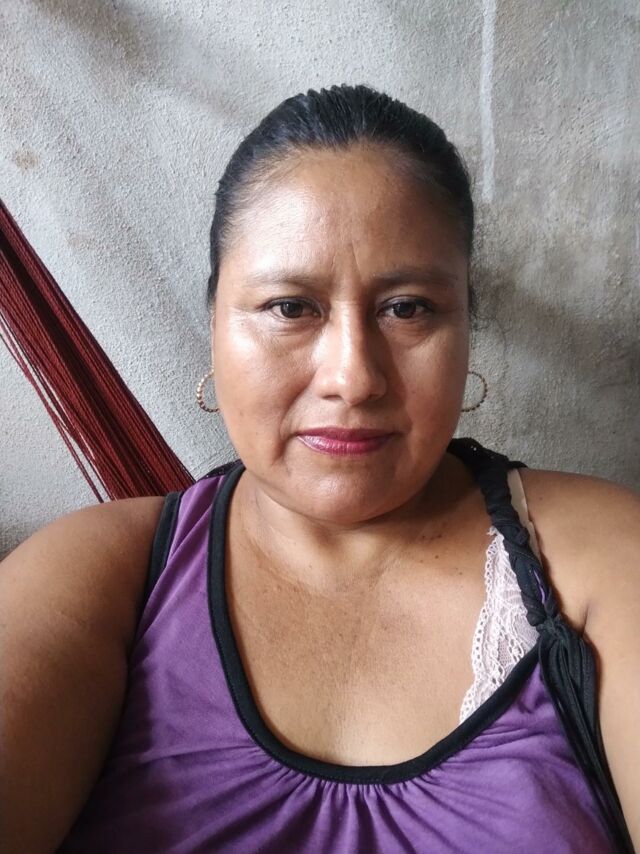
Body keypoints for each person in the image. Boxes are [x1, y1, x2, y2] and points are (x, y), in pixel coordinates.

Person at [1, 83, 638, 853]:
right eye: (290, 307)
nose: (353, 378)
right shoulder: (102, 574)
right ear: (214, 325)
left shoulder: (595, 561)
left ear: (466, 324)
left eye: (407, 308)